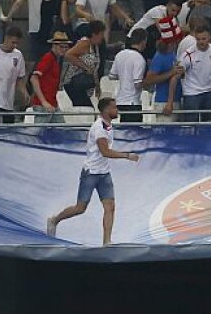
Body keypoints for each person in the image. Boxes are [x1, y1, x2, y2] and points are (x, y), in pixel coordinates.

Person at [46, 98, 140, 246]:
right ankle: (54, 220)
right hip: (91, 173)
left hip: (104, 173)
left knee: (110, 207)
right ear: (106, 110)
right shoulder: (99, 128)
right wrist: (127, 155)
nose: (117, 110)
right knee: (80, 208)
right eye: (114, 108)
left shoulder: (108, 125)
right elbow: (105, 152)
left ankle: (107, 242)